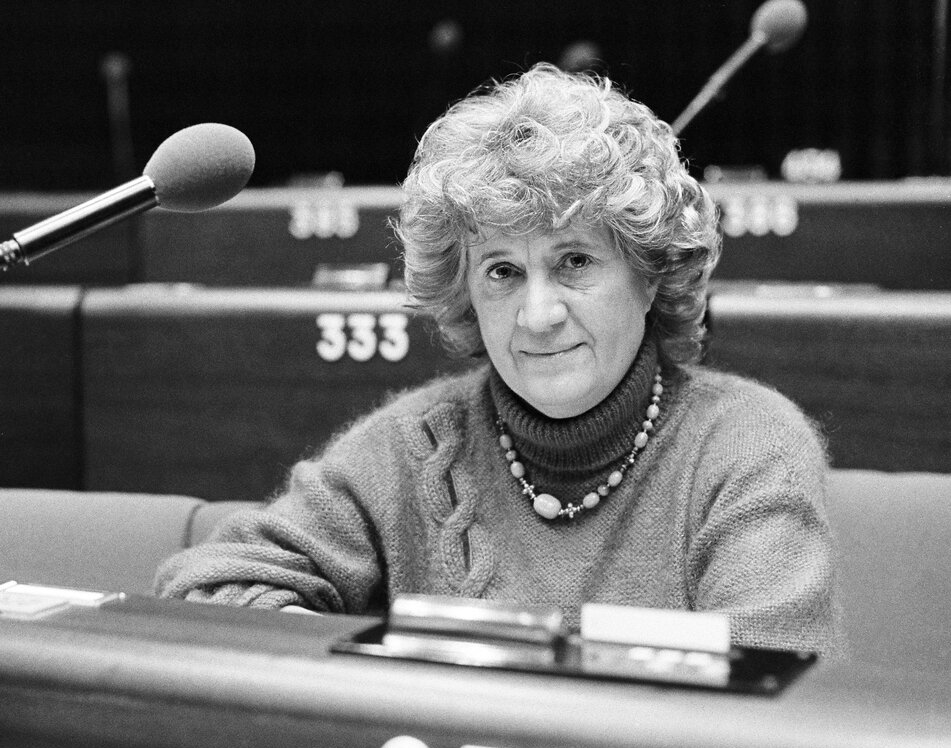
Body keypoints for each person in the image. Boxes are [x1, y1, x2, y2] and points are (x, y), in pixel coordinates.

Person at [156, 64, 839, 655]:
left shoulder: (745, 445)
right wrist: (368, 671)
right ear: (465, 292)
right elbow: (207, 585)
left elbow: (775, 684)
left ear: (650, 273)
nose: (537, 315)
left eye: (574, 261)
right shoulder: (415, 444)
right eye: (503, 272)